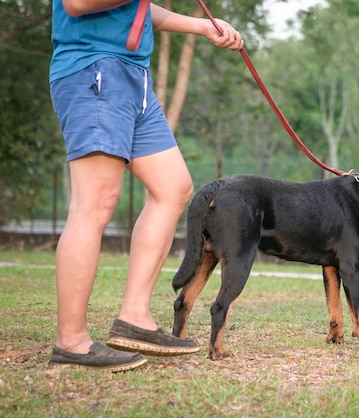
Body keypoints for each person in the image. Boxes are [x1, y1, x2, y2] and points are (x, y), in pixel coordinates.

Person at [48, 0, 244, 372]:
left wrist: (201, 26)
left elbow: (136, 9)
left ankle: (134, 317)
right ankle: (71, 341)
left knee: (173, 187)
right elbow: (76, 4)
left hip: (134, 77)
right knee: (95, 203)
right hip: (95, 67)